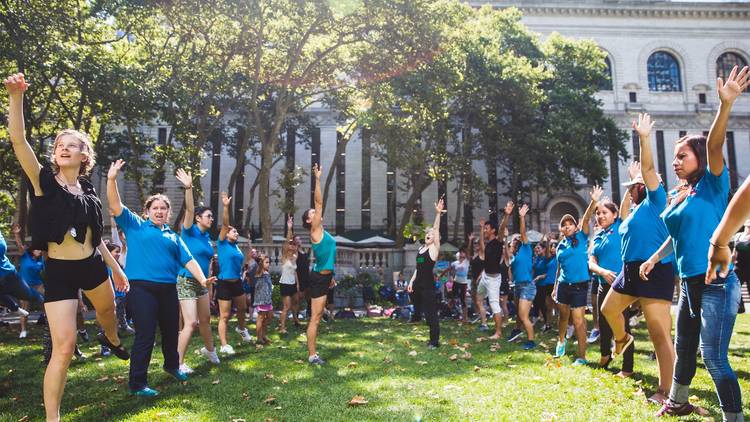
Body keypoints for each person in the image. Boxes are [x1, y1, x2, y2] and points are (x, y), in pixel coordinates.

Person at [6, 73, 130, 421]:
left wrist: (116, 268)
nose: (63, 146)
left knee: (107, 315)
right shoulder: (44, 181)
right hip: (59, 272)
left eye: (71, 144)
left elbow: (94, 238)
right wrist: (16, 97)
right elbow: (19, 141)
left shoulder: (89, 190)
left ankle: (112, 338)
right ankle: (53, 418)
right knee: (64, 347)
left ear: (83, 154)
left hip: (92, 265)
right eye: (60, 143)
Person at [645, 65, 748, 419]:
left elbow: (716, 142)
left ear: (699, 159)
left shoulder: (713, 185)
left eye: (682, 156)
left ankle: (734, 417)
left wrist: (726, 105)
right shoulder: (680, 194)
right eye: (674, 157)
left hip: (716, 280)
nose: (674, 162)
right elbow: (677, 238)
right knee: (684, 348)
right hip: (688, 281)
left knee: (714, 358)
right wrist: (654, 258)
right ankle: (677, 402)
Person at [107, 159, 215, 397]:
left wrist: (201, 279)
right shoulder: (135, 225)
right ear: (147, 212)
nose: (159, 211)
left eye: (163, 209)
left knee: (169, 331)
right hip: (141, 288)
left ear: (168, 213)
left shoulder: (174, 237)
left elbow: (189, 260)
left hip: (168, 289)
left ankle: (172, 365)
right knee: (145, 334)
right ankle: (137, 384)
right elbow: (115, 206)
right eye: (155, 208)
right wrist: (112, 179)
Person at [601, 117, 676, 403]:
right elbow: (621, 219)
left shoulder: (657, 201)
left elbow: (648, 169)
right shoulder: (634, 212)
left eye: (633, 186)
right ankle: (623, 339)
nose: (631, 188)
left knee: (659, 335)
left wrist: (644, 138)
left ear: (642, 187)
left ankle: (666, 391)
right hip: (630, 271)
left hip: (654, 269)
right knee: (609, 310)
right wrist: (630, 185)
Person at [174, 169, 220, 374]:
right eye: (208, 216)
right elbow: (190, 210)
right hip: (185, 280)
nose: (211, 219)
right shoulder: (189, 230)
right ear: (199, 218)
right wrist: (189, 188)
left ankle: (210, 351)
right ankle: (178, 363)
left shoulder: (206, 238)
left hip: (203, 282)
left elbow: (207, 262)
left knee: (205, 321)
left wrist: (208, 282)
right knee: (191, 323)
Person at [552, 186, 599, 366]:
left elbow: (587, 217)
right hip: (563, 285)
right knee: (563, 317)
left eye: (570, 223)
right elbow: (559, 268)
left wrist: (593, 201)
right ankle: (561, 341)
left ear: (575, 225)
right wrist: (556, 287)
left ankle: (582, 356)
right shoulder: (559, 247)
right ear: (561, 229)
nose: (567, 226)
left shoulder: (582, 236)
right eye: (564, 224)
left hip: (580, 286)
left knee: (579, 321)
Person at [588, 195, 632, 378]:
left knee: (623, 326)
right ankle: (605, 356)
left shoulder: (621, 225)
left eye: (604, 212)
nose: (600, 216)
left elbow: (625, 205)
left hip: (620, 286)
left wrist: (630, 188)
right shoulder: (597, 236)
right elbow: (591, 262)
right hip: (602, 285)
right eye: (597, 213)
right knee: (603, 326)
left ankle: (627, 368)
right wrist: (602, 272)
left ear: (614, 215)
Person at [301, 163, 337, 365]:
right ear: (309, 221)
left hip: (324, 277)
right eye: (312, 213)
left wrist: (331, 277)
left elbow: (328, 258)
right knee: (315, 317)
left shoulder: (323, 231)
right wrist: (317, 178)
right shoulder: (315, 231)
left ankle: (313, 352)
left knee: (319, 315)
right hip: (318, 278)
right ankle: (312, 355)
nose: (315, 212)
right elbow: (318, 201)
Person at [216, 192, 253, 354]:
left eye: (237, 232)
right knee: (224, 316)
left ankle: (241, 329)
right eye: (233, 232)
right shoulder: (222, 243)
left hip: (237, 282)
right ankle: (224, 345)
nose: (236, 233)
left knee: (242, 308)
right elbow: (225, 225)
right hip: (224, 283)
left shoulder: (236, 247)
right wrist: (225, 207)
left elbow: (240, 263)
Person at [407, 198, 445, 349]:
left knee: (431, 315)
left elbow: (436, 229)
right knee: (414, 301)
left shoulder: (433, 250)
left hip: (428, 285)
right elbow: (418, 268)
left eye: (431, 233)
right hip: (417, 284)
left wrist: (438, 214)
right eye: (427, 233)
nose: (429, 234)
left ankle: (434, 342)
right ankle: (416, 315)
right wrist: (411, 282)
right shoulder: (420, 249)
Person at [477, 202, 513, 340]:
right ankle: (484, 321)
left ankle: (498, 332)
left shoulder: (498, 242)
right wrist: (481, 230)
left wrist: (507, 215)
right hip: (485, 276)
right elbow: (481, 243)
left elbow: (502, 227)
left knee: (494, 305)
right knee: (479, 297)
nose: (485, 230)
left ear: (493, 230)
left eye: (486, 228)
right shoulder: (488, 245)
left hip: (493, 280)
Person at [508, 204, 536, 350]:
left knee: (523, 315)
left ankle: (531, 340)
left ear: (518, 243)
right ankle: (517, 330)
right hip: (518, 286)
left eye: (512, 242)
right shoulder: (514, 257)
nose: (510, 244)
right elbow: (511, 275)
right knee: (518, 314)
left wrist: (521, 217)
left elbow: (523, 232)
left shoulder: (526, 248)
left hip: (527, 286)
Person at [12, 224, 45, 338]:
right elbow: (20, 246)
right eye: (37, 249)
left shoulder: (41, 259)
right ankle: (23, 330)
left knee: (46, 302)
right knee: (25, 309)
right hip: (24, 285)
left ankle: (48, 323)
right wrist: (16, 234)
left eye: (40, 250)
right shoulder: (25, 255)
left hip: (37, 284)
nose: (39, 251)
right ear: (32, 250)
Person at [279, 216, 300, 333]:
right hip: (285, 284)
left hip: (293, 284)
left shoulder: (295, 257)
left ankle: (295, 319)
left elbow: (295, 271)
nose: (291, 246)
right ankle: (282, 327)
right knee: (286, 307)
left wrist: (297, 284)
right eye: (290, 245)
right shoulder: (284, 257)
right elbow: (287, 241)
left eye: (293, 244)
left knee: (296, 302)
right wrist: (289, 228)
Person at [440, 249, 470, 323]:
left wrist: (470, 241)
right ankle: (447, 312)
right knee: (452, 298)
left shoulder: (467, 261)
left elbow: (469, 251)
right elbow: (448, 269)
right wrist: (441, 275)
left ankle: (465, 318)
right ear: (458, 256)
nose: (461, 257)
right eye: (460, 255)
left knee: (463, 300)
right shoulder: (455, 263)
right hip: (456, 282)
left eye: (463, 255)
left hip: (463, 283)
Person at [730, 219, 750, 314]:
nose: (748, 227)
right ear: (745, 225)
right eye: (747, 225)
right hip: (738, 268)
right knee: (734, 286)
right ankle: (740, 307)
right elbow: (734, 253)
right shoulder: (738, 236)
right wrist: (729, 263)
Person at [467, 233, 487, 330]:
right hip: (474, 279)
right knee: (475, 300)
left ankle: (484, 323)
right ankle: (480, 315)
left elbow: (486, 266)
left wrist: (482, 231)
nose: (476, 246)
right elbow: (468, 254)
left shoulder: (483, 254)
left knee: (480, 301)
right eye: (475, 244)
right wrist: (470, 241)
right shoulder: (474, 255)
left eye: (477, 244)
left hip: (481, 279)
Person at [253, 254, 273, 344]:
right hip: (262, 299)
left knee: (269, 317)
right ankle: (259, 338)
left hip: (267, 299)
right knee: (261, 318)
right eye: (266, 262)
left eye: (269, 262)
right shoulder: (260, 273)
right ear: (261, 264)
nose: (268, 264)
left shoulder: (266, 272)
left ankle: (263, 335)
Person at [531, 241, 548, 329]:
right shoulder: (537, 258)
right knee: (535, 302)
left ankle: (546, 323)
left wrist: (540, 277)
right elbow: (533, 268)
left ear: (544, 249)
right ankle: (535, 319)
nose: (536, 250)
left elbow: (548, 273)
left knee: (542, 304)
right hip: (535, 284)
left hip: (543, 284)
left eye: (538, 248)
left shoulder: (546, 258)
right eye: (536, 248)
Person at [294, 235, 310, 320]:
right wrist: (297, 283)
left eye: (299, 238)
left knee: (309, 297)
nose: (299, 240)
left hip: (307, 277)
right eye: (296, 239)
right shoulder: (295, 252)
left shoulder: (304, 252)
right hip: (300, 278)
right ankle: (295, 317)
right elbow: (295, 267)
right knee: (298, 298)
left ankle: (308, 313)